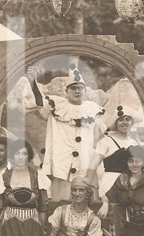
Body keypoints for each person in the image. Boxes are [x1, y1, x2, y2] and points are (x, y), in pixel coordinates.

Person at [25, 64, 106, 205]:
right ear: (66, 91)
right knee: (61, 202)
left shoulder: (92, 109)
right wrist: (32, 81)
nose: (77, 91)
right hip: (62, 163)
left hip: (85, 164)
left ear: (85, 90)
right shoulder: (55, 105)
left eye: (80, 87)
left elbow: (102, 134)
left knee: (84, 203)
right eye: (73, 88)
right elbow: (38, 102)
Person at [95, 104, 141, 200]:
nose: (124, 122)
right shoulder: (106, 141)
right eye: (120, 120)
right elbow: (93, 165)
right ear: (116, 123)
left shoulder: (133, 141)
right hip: (111, 183)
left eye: (127, 119)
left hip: (130, 184)